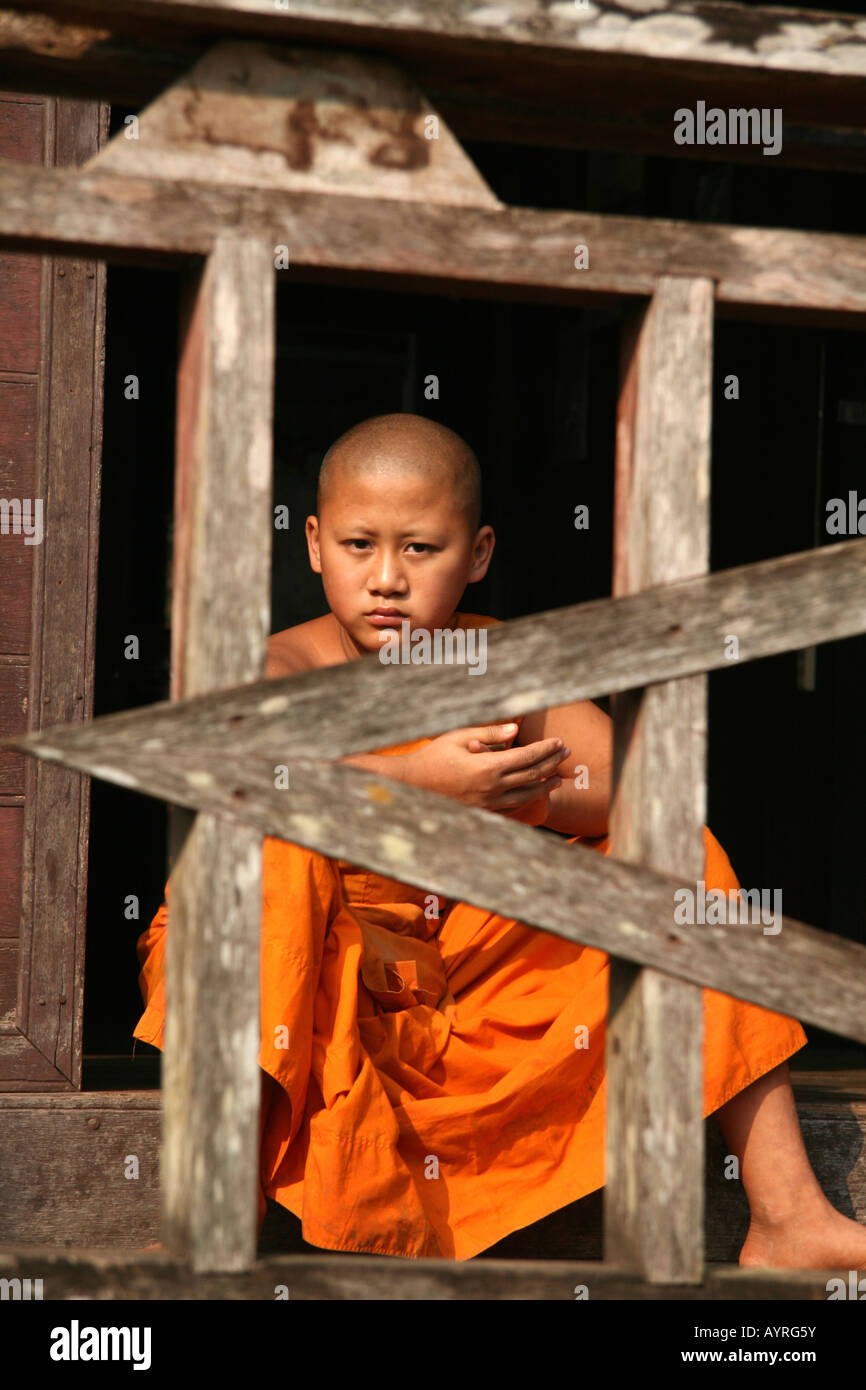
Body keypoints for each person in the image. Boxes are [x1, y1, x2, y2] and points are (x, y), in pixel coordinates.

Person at [134, 412, 866, 1267]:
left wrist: (515, 802)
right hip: (322, 986)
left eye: (421, 549)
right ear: (313, 546)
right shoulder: (279, 669)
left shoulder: (492, 659)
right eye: (360, 544)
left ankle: (788, 1217)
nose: (386, 580)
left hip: (464, 981)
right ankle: (210, 1216)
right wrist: (424, 786)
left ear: (477, 555)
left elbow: (637, 795)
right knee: (264, 849)